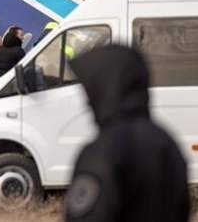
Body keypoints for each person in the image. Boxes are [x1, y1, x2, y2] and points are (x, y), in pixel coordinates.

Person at [65, 45, 190, 222]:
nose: (87, 102)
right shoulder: (167, 142)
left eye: (91, 91)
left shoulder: (103, 151)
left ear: (106, 87)